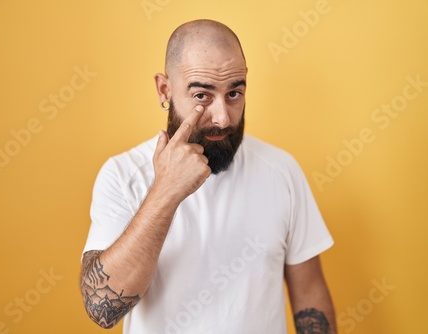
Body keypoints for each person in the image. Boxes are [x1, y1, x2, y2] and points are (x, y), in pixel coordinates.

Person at [80, 19, 337, 333]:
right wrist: (165, 190)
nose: (222, 117)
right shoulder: (122, 175)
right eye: (202, 95)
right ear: (165, 89)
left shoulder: (281, 170)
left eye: (234, 93)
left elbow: (309, 294)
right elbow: (102, 309)